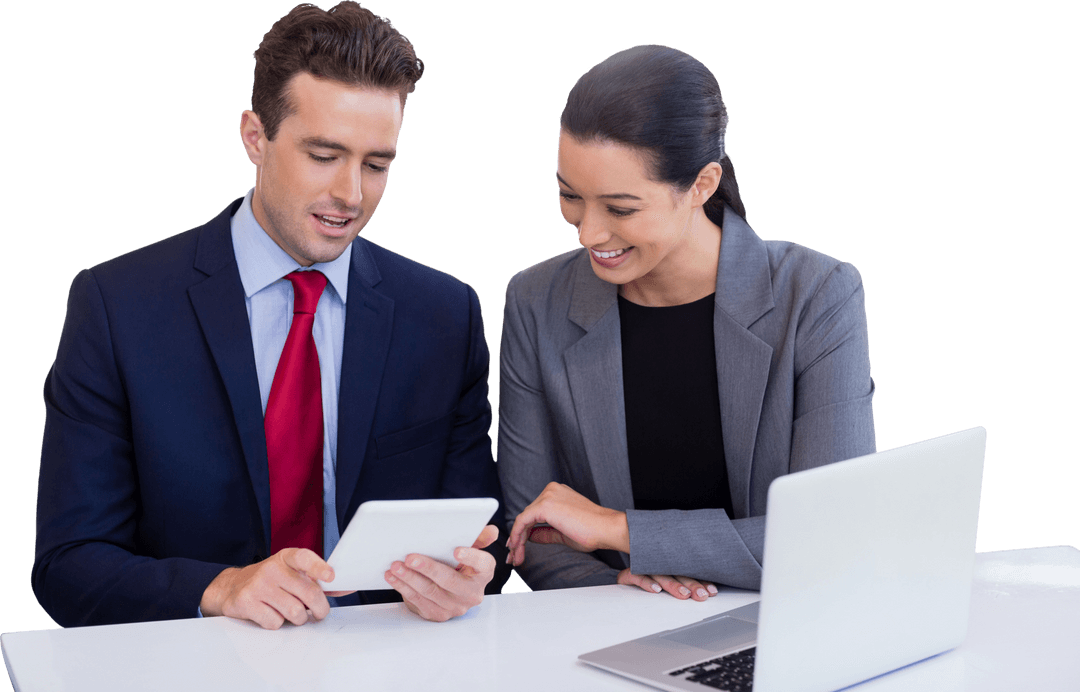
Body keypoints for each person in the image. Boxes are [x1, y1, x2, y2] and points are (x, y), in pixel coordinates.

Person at [33, 2, 509, 630]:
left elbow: (484, 540)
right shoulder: (119, 306)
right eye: (323, 155)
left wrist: (472, 575)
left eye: (376, 164)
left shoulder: (443, 314)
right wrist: (222, 588)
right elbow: (68, 568)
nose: (351, 194)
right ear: (255, 137)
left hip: (386, 661)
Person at [498, 44, 876, 601]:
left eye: (621, 209)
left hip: (783, 626)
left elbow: (834, 535)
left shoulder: (818, 295)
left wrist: (622, 532)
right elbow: (534, 528)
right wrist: (619, 586)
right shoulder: (536, 303)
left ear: (701, 185)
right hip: (611, 627)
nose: (588, 233)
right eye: (569, 196)